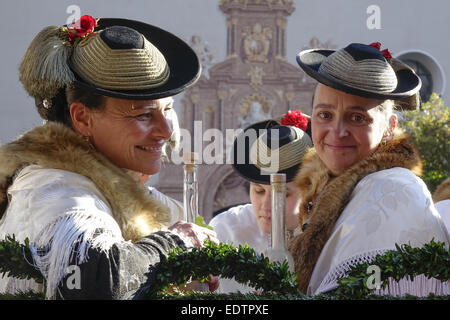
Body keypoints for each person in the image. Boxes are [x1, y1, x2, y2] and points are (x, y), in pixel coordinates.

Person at [0, 16, 218, 299]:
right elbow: (91, 278)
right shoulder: (55, 188)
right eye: (142, 114)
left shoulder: (120, 192)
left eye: (167, 109)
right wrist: (176, 245)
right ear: (83, 118)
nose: (165, 131)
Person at [288, 42, 449, 296]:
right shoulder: (328, 188)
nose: (337, 133)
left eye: (357, 118)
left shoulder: (397, 189)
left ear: (389, 127)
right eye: (325, 115)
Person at [209, 110, 313, 293]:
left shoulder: (326, 232)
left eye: (283, 194)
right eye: (258, 191)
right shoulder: (225, 229)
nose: (266, 206)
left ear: (310, 190)